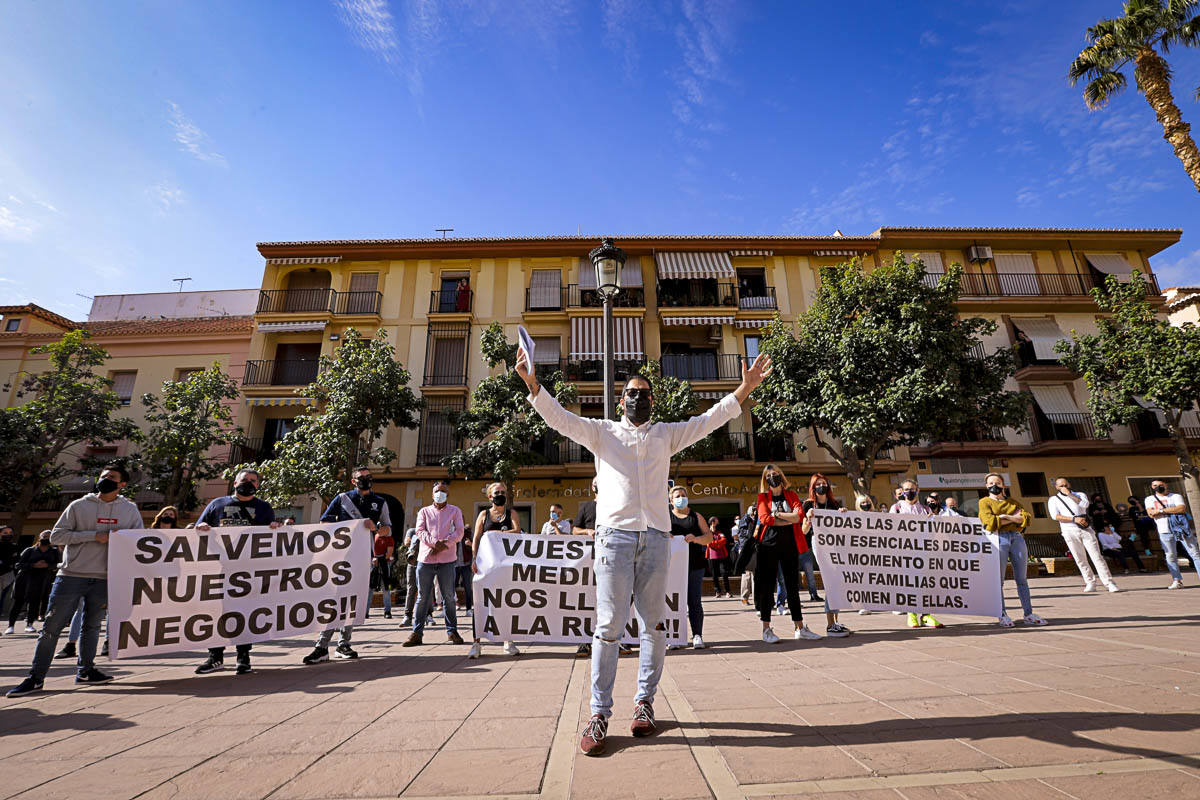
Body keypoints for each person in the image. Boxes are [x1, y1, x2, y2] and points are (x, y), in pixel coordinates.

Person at [517, 347, 771, 756]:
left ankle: (644, 703)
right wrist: (532, 383)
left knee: (654, 627)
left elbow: (709, 420)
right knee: (608, 628)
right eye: (632, 393)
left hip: (655, 538)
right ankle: (599, 714)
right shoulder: (602, 433)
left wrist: (744, 388)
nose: (639, 398)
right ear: (621, 401)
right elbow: (560, 420)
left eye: (645, 393)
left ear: (653, 400)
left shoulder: (666, 435)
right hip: (613, 539)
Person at [7, 466, 141, 698]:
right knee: (51, 629)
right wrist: (94, 536)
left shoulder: (130, 510)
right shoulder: (79, 505)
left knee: (91, 627)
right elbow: (57, 536)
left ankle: (86, 671)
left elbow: (138, 540)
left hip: (104, 578)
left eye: (112, 478)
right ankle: (36, 677)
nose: (105, 480)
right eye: (103, 477)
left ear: (123, 485)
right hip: (71, 575)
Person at [57, 505, 177, 662]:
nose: (167, 516)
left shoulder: (175, 534)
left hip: (128, 574)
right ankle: (71, 644)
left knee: (113, 610)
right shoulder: (144, 533)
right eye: (165, 513)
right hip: (97, 571)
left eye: (171, 515)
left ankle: (108, 642)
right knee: (82, 611)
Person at [300, 466, 391, 665]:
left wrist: (375, 528)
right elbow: (324, 522)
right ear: (353, 481)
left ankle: (344, 644)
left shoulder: (380, 502)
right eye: (361, 477)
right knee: (333, 599)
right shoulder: (342, 499)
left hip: (362, 557)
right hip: (338, 557)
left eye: (369, 477)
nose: (366, 480)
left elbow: (387, 530)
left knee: (352, 601)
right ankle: (321, 646)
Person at [193, 469, 279, 675]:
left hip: (249, 572)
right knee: (218, 613)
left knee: (245, 612)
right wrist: (202, 526)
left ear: (258, 485)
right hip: (219, 569)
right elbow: (197, 529)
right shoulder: (217, 504)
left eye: (253, 481)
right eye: (244, 480)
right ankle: (215, 657)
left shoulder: (264, 508)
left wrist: (275, 529)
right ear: (234, 483)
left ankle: (244, 657)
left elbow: (271, 538)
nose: (248, 483)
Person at [754, 464, 822, 644]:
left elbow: (799, 516)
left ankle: (800, 628)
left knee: (793, 586)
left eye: (775, 474)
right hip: (768, 545)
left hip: (790, 545)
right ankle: (766, 629)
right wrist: (788, 517)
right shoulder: (762, 497)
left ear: (781, 476)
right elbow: (764, 519)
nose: (773, 477)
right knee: (768, 587)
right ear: (765, 479)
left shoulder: (791, 495)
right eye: (769, 475)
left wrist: (777, 515)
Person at [978, 473, 1047, 628]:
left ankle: (1028, 613)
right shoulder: (984, 502)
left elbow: (1026, 519)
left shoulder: (1013, 502)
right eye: (990, 483)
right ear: (986, 486)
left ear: (1003, 485)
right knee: (999, 580)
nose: (994, 485)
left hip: (1017, 538)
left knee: (1022, 578)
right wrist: (1013, 518)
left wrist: (1003, 517)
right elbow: (989, 522)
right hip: (998, 538)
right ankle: (1002, 614)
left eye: (997, 482)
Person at [404, 480, 465, 647]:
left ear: (448, 494)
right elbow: (419, 531)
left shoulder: (455, 511)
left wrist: (444, 544)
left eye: (444, 491)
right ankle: (417, 633)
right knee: (423, 597)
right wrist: (434, 543)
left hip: (447, 560)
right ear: (432, 494)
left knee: (449, 597)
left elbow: (460, 532)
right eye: (437, 491)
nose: (440, 494)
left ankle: (452, 631)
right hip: (426, 559)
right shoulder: (424, 511)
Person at [467, 482, 522, 659]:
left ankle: (508, 641)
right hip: (486, 566)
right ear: (490, 496)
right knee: (481, 603)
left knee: (506, 602)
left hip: (505, 566)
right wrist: (474, 558)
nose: (500, 494)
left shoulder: (511, 513)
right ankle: (476, 643)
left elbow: (518, 531)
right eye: (497, 492)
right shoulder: (483, 515)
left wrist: (499, 534)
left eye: (503, 492)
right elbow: (476, 537)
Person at [800, 474, 851, 638]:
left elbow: (843, 527)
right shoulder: (808, 504)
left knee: (837, 581)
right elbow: (803, 531)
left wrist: (843, 515)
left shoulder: (834, 504)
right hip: (820, 544)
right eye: (818, 484)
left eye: (824, 483)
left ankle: (835, 621)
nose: (822, 486)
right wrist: (808, 519)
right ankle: (830, 624)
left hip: (836, 544)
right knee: (831, 581)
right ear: (813, 487)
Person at [889, 478, 944, 628]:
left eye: (912, 489)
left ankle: (926, 615)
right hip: (905, 552)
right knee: (909, 584)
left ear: (917, 490)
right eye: (906, 489)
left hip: (924, 552)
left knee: (926, 584)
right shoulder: (896, 508)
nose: (909, 492)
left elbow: (934, 532)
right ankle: (911, 614)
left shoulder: (926, 510)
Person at [1048, 477, 1119, 594]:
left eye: (1065, 485)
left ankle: (1109, 582)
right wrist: (1074, 519)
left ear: (1069, 485)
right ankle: (1090, 582)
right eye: (1061, 486)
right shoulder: (1053, 499)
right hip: (1069, 531)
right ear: (1056, 487)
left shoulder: (1080, 494)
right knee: (1080, 558)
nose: (1064, 487)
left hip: (1086, 530)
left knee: (1096, 556)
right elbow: (1055, 516)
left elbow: (1085, 505)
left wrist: (1070, 495)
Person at [668, 486, 713, 650]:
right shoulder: (665, 517)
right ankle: (674, 636)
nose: (681, 498)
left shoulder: (696, 516)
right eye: (677, 496)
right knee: (673, 602)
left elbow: (709, 537)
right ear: (671, 500)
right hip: (672, 567)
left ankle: (697, 635)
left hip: (695, 565)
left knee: (694, 601)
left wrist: (695, 539)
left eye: (683, 495)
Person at [1145, 480, 1199, 589]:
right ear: (1152, 487)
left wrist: (1160, 510)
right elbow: (1151, 514)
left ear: (1166, 485)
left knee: (1195, 554)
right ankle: (1177, 580)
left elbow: (1182, 508)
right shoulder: (1149, 499)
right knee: (1170, 556)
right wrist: (1171, 510)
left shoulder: (1175, 496)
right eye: (1155, 485)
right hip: (1164, 530)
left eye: (1160, 484)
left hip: (1181, 529)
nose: (1158, 487)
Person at [6, 531, 60, 634]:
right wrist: (33, 565)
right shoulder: (30, 550)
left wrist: (47, 566)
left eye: (49, 537)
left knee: (34, 602)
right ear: (40, 538)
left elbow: (56, 564)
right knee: (18, 601)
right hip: (24, 579)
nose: (46, 538)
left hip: (41, 579)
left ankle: (29, 624)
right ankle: (10, 626)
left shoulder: (53, 551)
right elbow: (18, 564)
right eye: (45, 536)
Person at [706, 516, 732, 597]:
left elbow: (724, 540)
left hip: (722, 555)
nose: (717, 523)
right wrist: (717, 543)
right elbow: (708, 542)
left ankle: (728, 592)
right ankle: (718, 592)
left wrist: (714, 543)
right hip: (711, 556)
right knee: (714, 575)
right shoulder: (707, 532)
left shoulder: (720, 531)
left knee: (724, 573)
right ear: (712, 522)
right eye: (716, 522)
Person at [735, 508, 757, 606]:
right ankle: (744, 597)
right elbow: (744, 536)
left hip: (753, 548)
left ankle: (756, 597)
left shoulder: (753, 519)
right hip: (746, 549)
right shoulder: (745, 520)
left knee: (755, 574)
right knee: (747, 574)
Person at [0, 525, 17, 620]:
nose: (8, 535)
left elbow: (14, 560)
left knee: (2, 600)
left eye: (10, 533)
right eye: (5, 533)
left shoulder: (14, 547)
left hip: (8, 576)